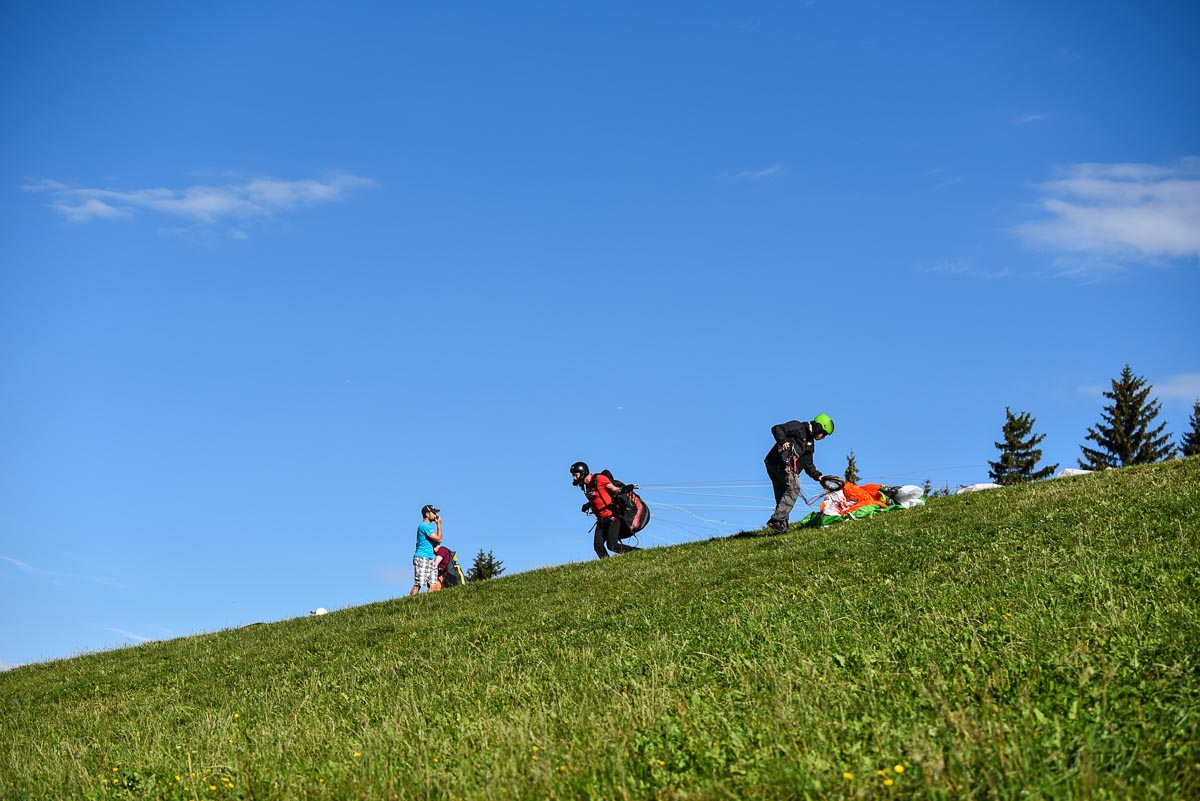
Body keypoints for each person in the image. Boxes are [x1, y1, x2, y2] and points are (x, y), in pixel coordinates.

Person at [763, 414, 835, 532]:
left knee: (783, 496)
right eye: (824, 434)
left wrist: (818, 476)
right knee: (794, 488)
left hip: (777, 466)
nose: (823, 437)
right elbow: (777, 428)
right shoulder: (798, 427)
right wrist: (783, 441)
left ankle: (782, 526)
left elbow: (808, 465)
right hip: (778, 463)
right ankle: (777, 520)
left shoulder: (810, 445)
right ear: (818, 427)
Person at [570, 461, 640, 559]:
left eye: (576, 475)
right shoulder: (587, 486)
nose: (574, 478)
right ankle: (607, 563)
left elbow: (614, 490)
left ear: (583, 473)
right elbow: (598, 498)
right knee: (598, 545)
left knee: (612, 545)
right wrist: (588, 505)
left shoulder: (599, 479)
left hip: (612, 517)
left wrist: (625, 489)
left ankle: (639, 552)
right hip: (601, 520)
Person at [411, 504, 442, 595]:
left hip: (430, 558)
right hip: (422, 557)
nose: (435, 515)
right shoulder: (424, 526)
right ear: (427, 514)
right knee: (418, 584)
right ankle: (410, 601)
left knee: (433, 585)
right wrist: (439, 525)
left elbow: (437, 542)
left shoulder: (428, 528)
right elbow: (439, 539)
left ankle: (426, 602)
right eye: (433, 513)